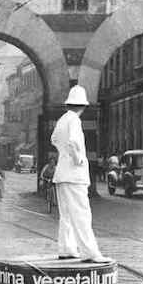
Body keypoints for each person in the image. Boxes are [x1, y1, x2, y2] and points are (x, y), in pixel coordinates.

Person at [50, 85, 106, 262]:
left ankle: (66, 248)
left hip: (62, 173)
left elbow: (54, 140)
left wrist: (64, 154)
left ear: (69, 104)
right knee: (82, 213)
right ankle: (90, 252)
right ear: (83, 106)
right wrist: (78, 160)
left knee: (66, 215)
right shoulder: (74, 120)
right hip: (74, 174)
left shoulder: (62, 120)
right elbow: (74, 142)